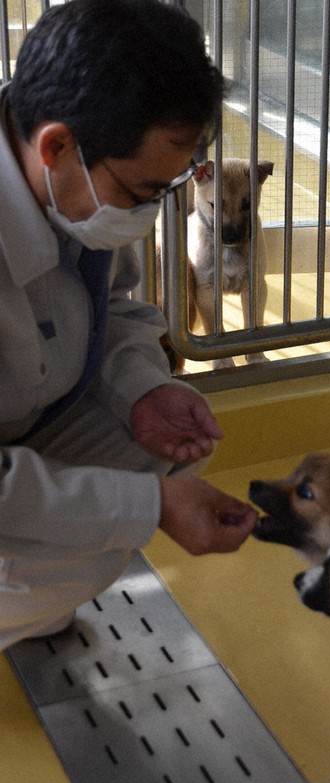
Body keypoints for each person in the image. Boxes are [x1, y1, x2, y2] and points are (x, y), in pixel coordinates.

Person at [0, 0, 257, 648]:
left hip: (24, 432)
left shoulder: (75, 180)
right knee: (89, 551)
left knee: (167, 439)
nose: (145, 216)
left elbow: (115, 306)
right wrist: (148, 511)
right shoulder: (82, 178)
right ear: (57, 145)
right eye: (142, 194)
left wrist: (143, 388)